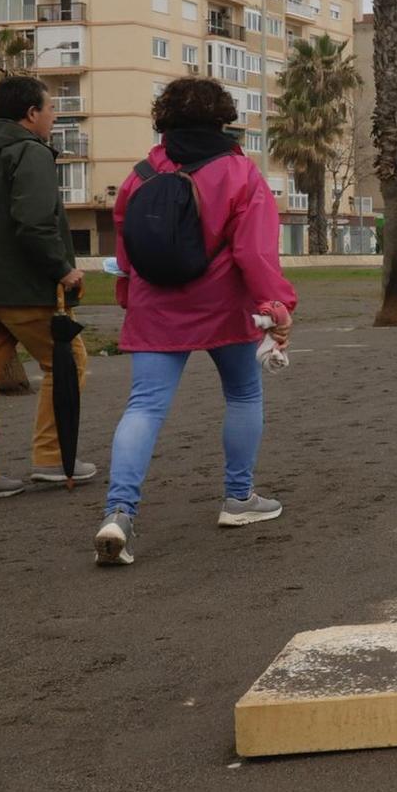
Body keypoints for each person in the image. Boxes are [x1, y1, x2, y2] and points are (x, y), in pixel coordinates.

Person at [92, 78, 295, 566]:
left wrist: (127, 296)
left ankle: (118, 513)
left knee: (143, 408)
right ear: (222, 118)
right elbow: (254, 251)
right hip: (224, 304)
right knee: (243, 395)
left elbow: (126, 249)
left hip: (155, 305)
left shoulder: (141, 174)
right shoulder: (239, 173)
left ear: (165, 120)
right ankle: (238, 499)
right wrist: (277, 305)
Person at [0, 75, 92, 503]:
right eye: (49, 110)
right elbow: (33, 220)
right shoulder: (30, 152)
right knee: (66, 361)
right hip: (20, 286)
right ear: (31, 114)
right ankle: (52, 457)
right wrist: (62, 268)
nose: (53, 116)